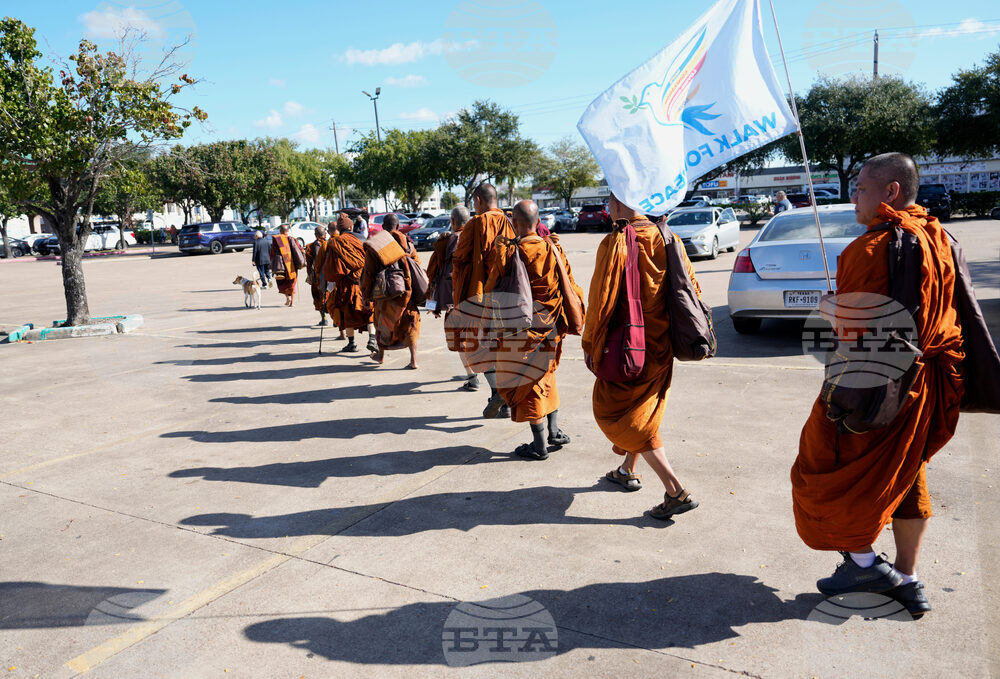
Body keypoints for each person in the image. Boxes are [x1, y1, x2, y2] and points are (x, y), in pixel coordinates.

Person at [791, 152, 964, 618]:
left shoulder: (867, 250)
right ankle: (907, 578)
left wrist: (832, 310)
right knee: (906, 474)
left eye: (861, 189)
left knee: (823, 471)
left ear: (890, 191)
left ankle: (867, 564)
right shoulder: (940, 237)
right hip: (925, 384)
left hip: (876, 386)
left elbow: (857, 331)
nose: (854, 198)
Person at [582, 193, 699, 520]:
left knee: (616, 413)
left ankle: (675, 489)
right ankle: (626, 470)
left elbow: (599, 303)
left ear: (619, 204)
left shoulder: (615, 243)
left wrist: (591, 345)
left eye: (610, 202)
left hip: (627, 348)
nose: (608, 209)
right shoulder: (668, 236)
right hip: (661, 345)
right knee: (643, 412)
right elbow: (692, 290)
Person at [485, 199, 583, 460]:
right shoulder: (552, 248)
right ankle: (553, 431)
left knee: (529, 384)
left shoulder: (509, 253)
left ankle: (539, 446)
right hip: (550, 325)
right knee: (547, 376)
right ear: (538, 223)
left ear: (514, 223)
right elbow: (569, 284)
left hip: (524, 329)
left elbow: (495, 289)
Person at [451, 182, 516, 418]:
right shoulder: (511, 221)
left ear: (478, 200)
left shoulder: (477, 224)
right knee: (504, 347)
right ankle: (506, 399)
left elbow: (459, 259)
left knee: (481, 348)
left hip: (482, 296)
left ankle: (498, 392)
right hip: (509, 294)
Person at [427, 205, 478, 391]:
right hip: (479, 296)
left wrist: (433, 303)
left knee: (460, 340)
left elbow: (433, 273)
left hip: (454, 299)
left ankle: (473, 378)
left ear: (452, 222)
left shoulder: (446, 242)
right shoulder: (478, 239)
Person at [361, 214, 421, 369]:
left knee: (382, 322)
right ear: (398, 225)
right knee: (410, 321)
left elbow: (369, 272)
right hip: (406, 290)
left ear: (382, 227)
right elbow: (417, 265)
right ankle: (414, 360)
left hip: (384, 292)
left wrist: (366, 295)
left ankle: (380, 356)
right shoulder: (407, 243)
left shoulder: (377, 244)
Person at [323, 213, 375, 352]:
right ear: (351, 227)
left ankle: (352, 343)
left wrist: (328, 284)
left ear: (340, 229)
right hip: (363, 282)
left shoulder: (335, 243)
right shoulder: (362, 240)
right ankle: (372, 338)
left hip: (346, 285)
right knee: (369, 311)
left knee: (348, 314)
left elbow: (331, 269)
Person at [305, 225, 328, 326]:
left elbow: (309, 265)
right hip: (331, 275)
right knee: (330, 297)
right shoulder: (331, 243)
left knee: (319, 297)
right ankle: (336, 319)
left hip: (318, 277)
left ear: (315, 235)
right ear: (325, 234)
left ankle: (324, 318)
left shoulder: (311, 247)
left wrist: (310, 275)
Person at [269, 224, 297, 306]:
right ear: (288, 231)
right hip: (291, 265)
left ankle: (287, 299)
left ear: (280, 231)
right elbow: (297, 250)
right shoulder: (292, 239)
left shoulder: (277, 239)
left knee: (283, 283)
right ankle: (292, 302)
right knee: (292, 283)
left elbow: (272, 252)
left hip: (280, 266)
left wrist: (272, 263)